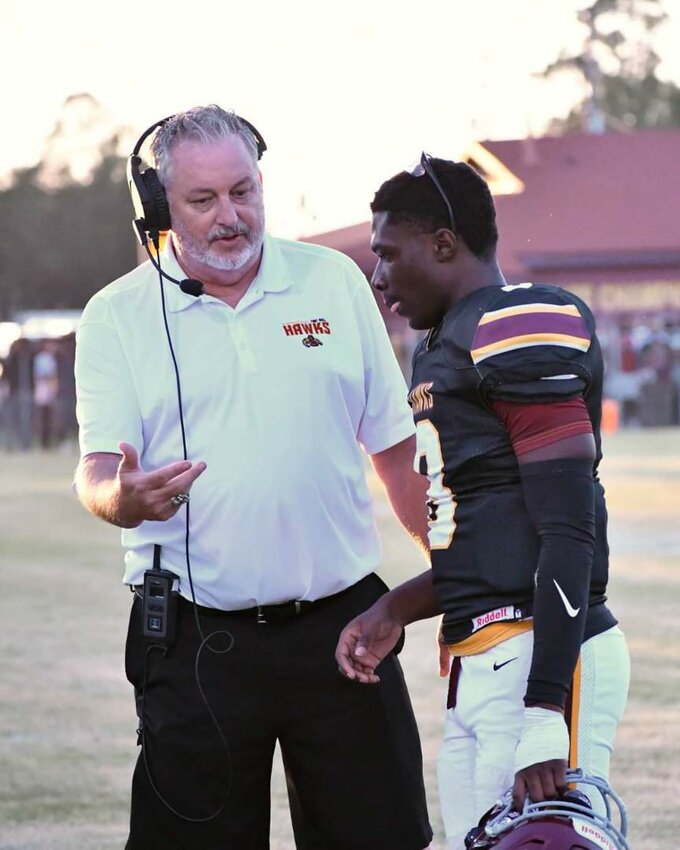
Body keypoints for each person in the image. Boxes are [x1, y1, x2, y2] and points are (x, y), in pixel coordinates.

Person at [74, 105, 433, 850]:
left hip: (346, 633)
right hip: (196, 642)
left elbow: (397, 455)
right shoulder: (115, 317)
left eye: (243, 191)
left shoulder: (333, 282)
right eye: (203, 200)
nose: (229, 216)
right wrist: (123, 499)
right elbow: (99, 474)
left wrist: (460, 574)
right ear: (159, 209)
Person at [335, 155, 630, 850]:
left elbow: (568, 527)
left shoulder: (517, 322)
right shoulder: (445, 346)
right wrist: (394, 609)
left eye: (387, 254)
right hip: (484, 656)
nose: (378, 277)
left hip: (541, 656)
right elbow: (492, 534)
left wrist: (543, 710)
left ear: (443, 243)